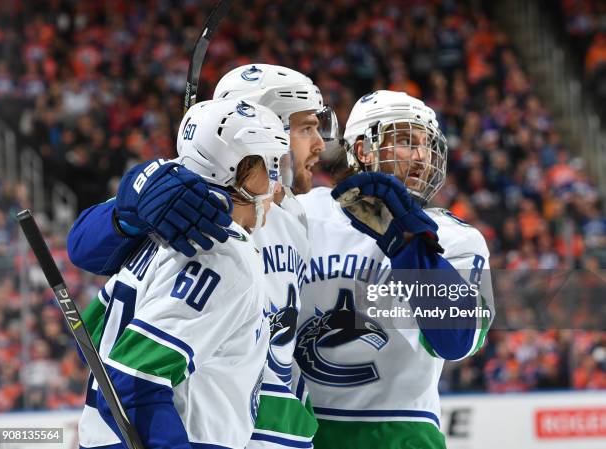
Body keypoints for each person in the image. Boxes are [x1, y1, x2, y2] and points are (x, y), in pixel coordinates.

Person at [70, 64, 337, 449]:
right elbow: (82, 246)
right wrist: (135, 197)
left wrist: (408, 241)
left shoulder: (299, 214)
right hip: (199, 423)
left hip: (265, 424)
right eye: (305, 128)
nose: (319, 144)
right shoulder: (185, 209)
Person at [295, 90, 494, 449]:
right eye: (405, 141)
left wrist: (409, 245)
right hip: (297, 429)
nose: (421, 156)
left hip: (400, 433)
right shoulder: (301, 214)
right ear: (362, 150)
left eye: (426, 144)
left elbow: (457, 340)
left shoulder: (455, 238)